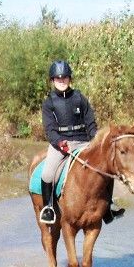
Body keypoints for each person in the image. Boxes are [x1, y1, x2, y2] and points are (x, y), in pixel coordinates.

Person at [39, 60, 124, 225]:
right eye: (58, 78)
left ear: (70, 79)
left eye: (64, 78)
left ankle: (108, 207)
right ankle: (48, 208)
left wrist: (95, 139)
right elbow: (50, 130)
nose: (61, 80)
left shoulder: (79, 98)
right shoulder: (49, 103)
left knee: (106, 167)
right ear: (52, 80)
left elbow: (90, 122)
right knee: (47, 173)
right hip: (60, 144)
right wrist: (59, 142)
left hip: (83, 142)